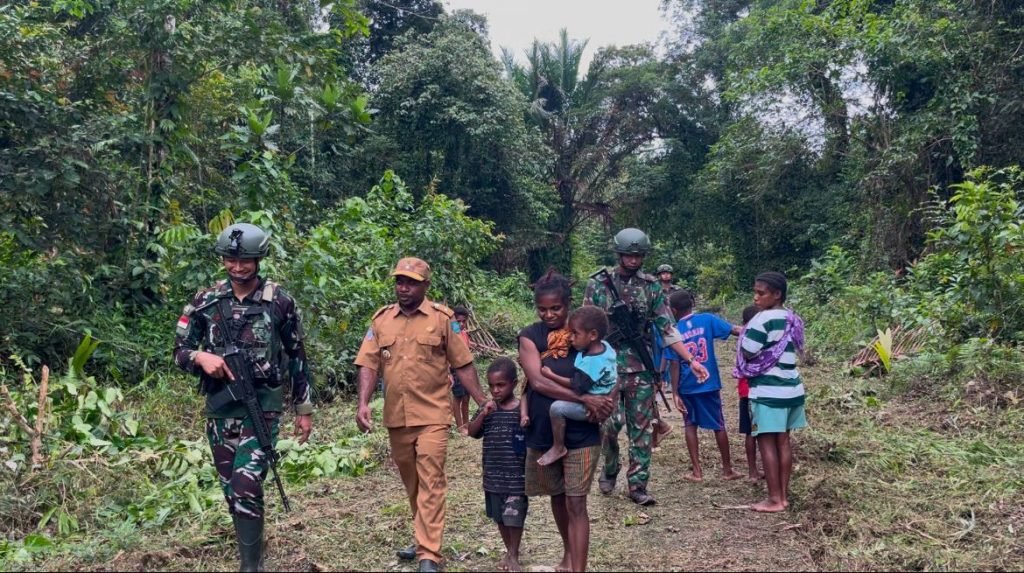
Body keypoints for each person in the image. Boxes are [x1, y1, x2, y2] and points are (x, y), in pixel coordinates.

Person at [173, 223, 314, 572]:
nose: (238, 267)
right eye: (231, 260)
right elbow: (179, 350)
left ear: (259, 259)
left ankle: (252, 567)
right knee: (231, 491)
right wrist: (200, 357)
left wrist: (304, 408)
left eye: (246, 261)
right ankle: (249, 557)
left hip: (262, 408)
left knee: (247, 484)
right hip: (220, 409)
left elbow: (296, 355)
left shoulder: (279, 301)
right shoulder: (205, 300)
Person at [354, 257, 489, 572]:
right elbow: (368, 363)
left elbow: (463, 363)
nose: (404, 287)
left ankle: (429, 553)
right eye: (400, 281)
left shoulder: (444, 319)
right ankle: (421, 535)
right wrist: (362, 403)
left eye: (411, 282)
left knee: (431, 479)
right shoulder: (382, 320)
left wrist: (481, 399)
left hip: (433, 415)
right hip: (396, 417)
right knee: (412, 481)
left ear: (425, 286)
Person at [583, 228, 709, 506]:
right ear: (619, 254)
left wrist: (691, 360)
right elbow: (583, 324)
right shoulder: (597, 284)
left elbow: (667, 328)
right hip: (606, 368)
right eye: (629, 254)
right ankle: (611, 466)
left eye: (639, 255)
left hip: (640, 367)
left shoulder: (651, 286)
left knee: (641, 428)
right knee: (608, 426)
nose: (634, 260)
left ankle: (638, 485)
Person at [518, 269, 614, 573]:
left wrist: (607, 400)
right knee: (557, 497)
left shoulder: (584, 332)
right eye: (542, 309)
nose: (549, 315)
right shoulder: (529, 336)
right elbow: (537, 381)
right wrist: (585, 398)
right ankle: (568, 554)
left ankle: (578, 567)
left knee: (576, 503)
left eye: (556, 308)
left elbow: (609, 371)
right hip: (544, 429)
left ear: (568, 304)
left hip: (583, 429)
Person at [735, 271, 806, 513]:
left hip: (768, 391)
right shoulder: (791, 318)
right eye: (755, 292)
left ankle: (774, 499)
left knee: (766, 442)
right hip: (792, 389)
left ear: (777, 295)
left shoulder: (761, 320)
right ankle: (783, 496)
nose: (756, 298)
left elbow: (748, 351)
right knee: (784, 442)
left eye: (761, 293)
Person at [664, 290, 743, 482]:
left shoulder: (673, 330)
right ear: (692, 304)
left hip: (686, 384)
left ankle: (697, 472)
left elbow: (674, 364)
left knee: (690, 425)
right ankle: (727, 469)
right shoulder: (707, 319)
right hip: (709, 382)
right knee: (718, 424)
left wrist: (674, 392)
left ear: (673, 310)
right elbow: (735, 330)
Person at [467, 358, 529, 573]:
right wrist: (483, 414)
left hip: (516, 476)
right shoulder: (487, 408)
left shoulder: (522, 410)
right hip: (493, 475)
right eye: (492, 386)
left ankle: (514, 553)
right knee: (500, 517)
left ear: (513, 383)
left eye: (501, 385)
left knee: (514, 516)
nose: (495, 390)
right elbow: (472, 432)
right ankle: (509, 550)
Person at [536, 306, 617, 467]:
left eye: (575, 334)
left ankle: (558, 446)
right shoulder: (605, 347)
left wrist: (551, 375)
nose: (571, 338)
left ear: (593, 335)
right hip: (605, 398)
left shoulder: (591, 363)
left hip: (591, 406)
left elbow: (576, 385)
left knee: (556, 408)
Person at [738, 304, 762, 482]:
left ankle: (753, 470)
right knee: (759, 432)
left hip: (745, 391)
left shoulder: (742, 337)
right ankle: (755, 471)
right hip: (757, 390)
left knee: (750, 432)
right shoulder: (758, 336)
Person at [450, 305, 473, 435]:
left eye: (464, 321)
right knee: (458, 397)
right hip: (455, 368)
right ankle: (460, 426)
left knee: (466, 397)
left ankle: (466, 423)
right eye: (458, 321)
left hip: (466, 368)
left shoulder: (464, 334)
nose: (461, 324)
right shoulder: (452, 335)